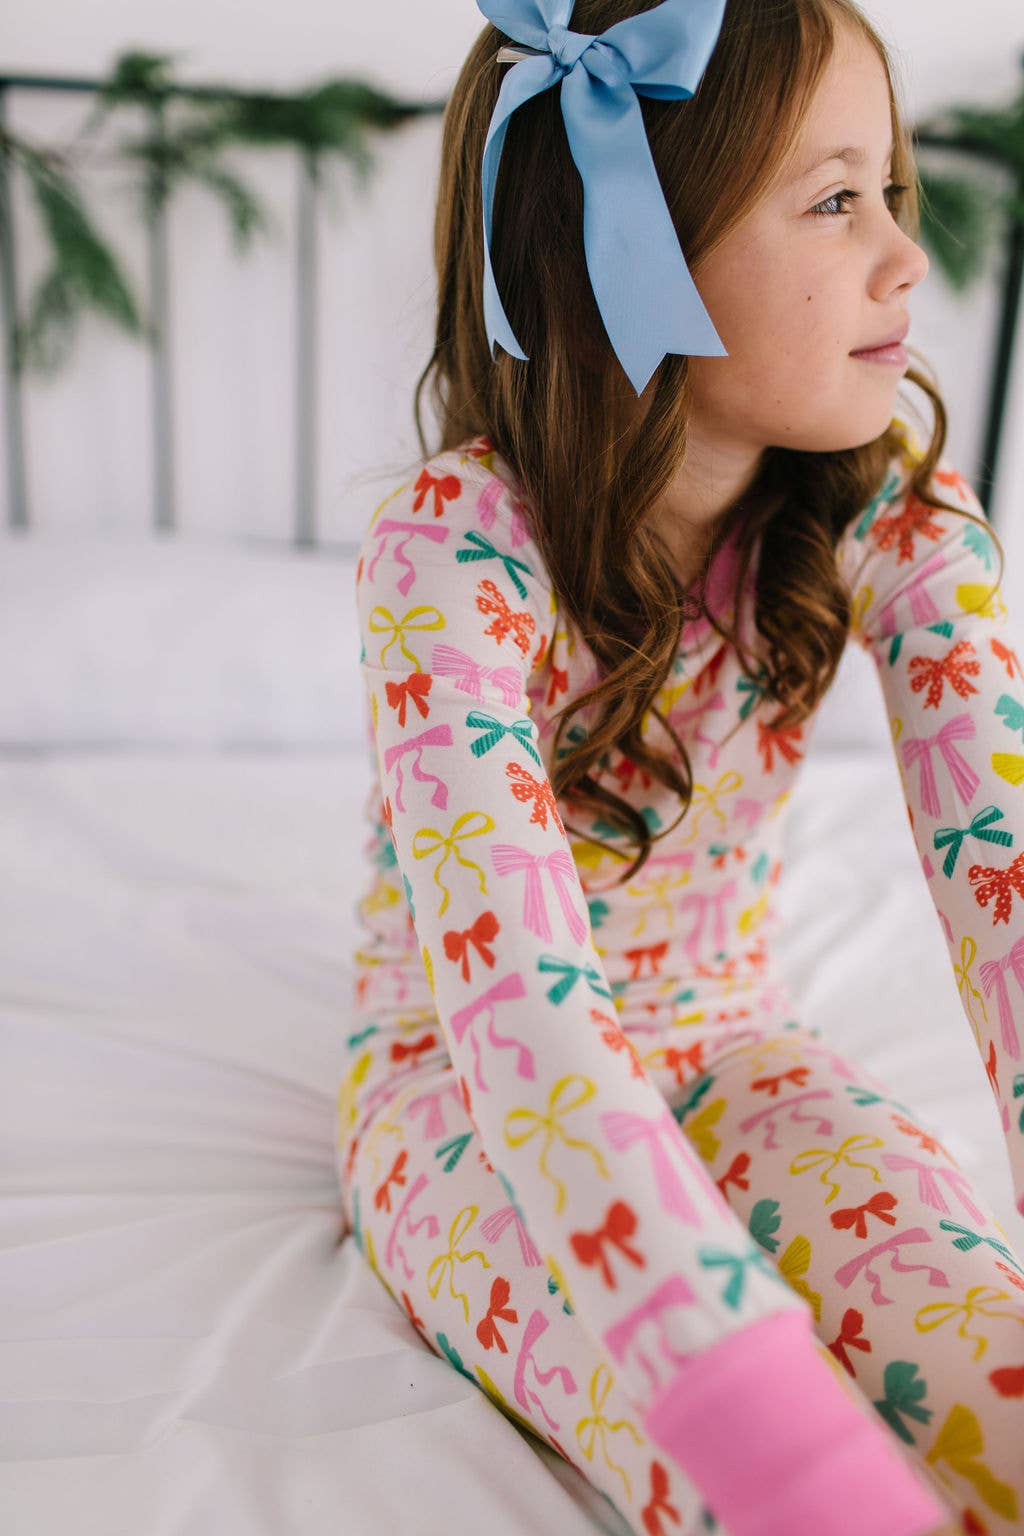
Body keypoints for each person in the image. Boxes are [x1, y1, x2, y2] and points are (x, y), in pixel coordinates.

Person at [337, 2, 1024, 1532]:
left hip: (731, 1044)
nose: (908, 257)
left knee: (983, 1357)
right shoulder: (453, 550)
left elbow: (1011, 903)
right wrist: (763, 1423)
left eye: (893, 190)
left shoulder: (901, 526)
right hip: (460, 1088)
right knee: (727, 1456)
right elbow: (523, 1012)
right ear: (628, 249)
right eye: (836, 201)